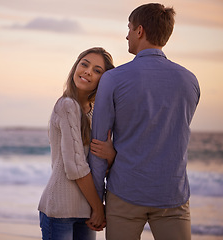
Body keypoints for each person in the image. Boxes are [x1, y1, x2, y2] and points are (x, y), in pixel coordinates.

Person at [88, 3, 201, 240]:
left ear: (139, 31)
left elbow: (98, 146)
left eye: (129, 28)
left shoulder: (113, 79)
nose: (126, 34)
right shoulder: (190, 81)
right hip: (173, 195)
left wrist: (96, 204)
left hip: (125, 194)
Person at [38, 47, 115, 240]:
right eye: (85, 64)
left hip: (86, 210)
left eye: (97, 70)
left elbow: (99, 163)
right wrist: (98, 207)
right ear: (75, 67)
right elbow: (75, 168)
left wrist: (111, 155)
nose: (88, 71)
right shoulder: (67, 105)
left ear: (103, 79)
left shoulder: (96, 110)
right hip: (61, 210)